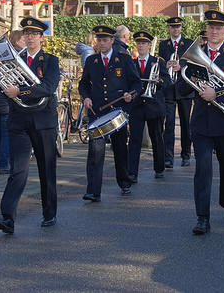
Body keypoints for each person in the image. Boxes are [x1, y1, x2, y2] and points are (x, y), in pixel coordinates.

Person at [177, 9, 224, 235]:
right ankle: (202, 217)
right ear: (206, 30)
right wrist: (179, 73)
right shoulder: (193, 55)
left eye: (219, 28)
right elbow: (181, 89)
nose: (214, 31)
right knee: (203, 170)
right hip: (202, 124)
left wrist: (216, 93)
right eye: (211, 27)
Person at [0, 18, 60, 234]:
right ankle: (7, 218)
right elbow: (4, 84)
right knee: (18, 170)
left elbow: (48, 88)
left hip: (43, 121)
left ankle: (49, 213)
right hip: (19, 120)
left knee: (46, 169)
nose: (29, 37)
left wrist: (19, 91)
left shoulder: (50, 60)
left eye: (34, 33)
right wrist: (0, 73)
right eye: (27, 33)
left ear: (41, 37)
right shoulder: (14, 60)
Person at [78, 25, 142, 201]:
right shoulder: (92, 61)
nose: (102, 43)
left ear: (112, 41)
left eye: (105, 40)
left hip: (117, 113)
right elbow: (83, 84)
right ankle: (93, 191)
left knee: (120, 150)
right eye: (99, 40)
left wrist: (131, 95)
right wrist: (86, 97)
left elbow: (137, 84)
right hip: (97, 113)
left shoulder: (124, 59)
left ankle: (124, 182)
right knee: (95, 153)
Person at [127, 31, 171, 182]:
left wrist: (159, 80)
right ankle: (132, 172)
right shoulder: (131, 63)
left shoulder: (158, 62)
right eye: (139, 43)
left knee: (157, 138)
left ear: (149, 45)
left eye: (144, 43)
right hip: (137, 106)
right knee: (134, 140)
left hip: (154, 106)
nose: (141, 46)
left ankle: (159, 168)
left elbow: (168, 81)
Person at [0, 30, 24, 175]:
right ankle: (3, 165)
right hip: (4, 101)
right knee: (6, 135)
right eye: (22, 41)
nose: (25, 43)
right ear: (15, 42)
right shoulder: (10, 58)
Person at [158, 17, 194, 167]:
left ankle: (186, 154)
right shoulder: (163, 44)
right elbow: (160, 62)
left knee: (186, 123)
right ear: (168, 28)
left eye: (178, 27)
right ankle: (168, 157)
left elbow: (194, 62)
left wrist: (182, 65)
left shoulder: (189, 43)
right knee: (170, 124)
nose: (175, 29)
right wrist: (166, 64)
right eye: (173, 27)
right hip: (169, 88)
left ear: (181, 27)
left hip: (184, 88)